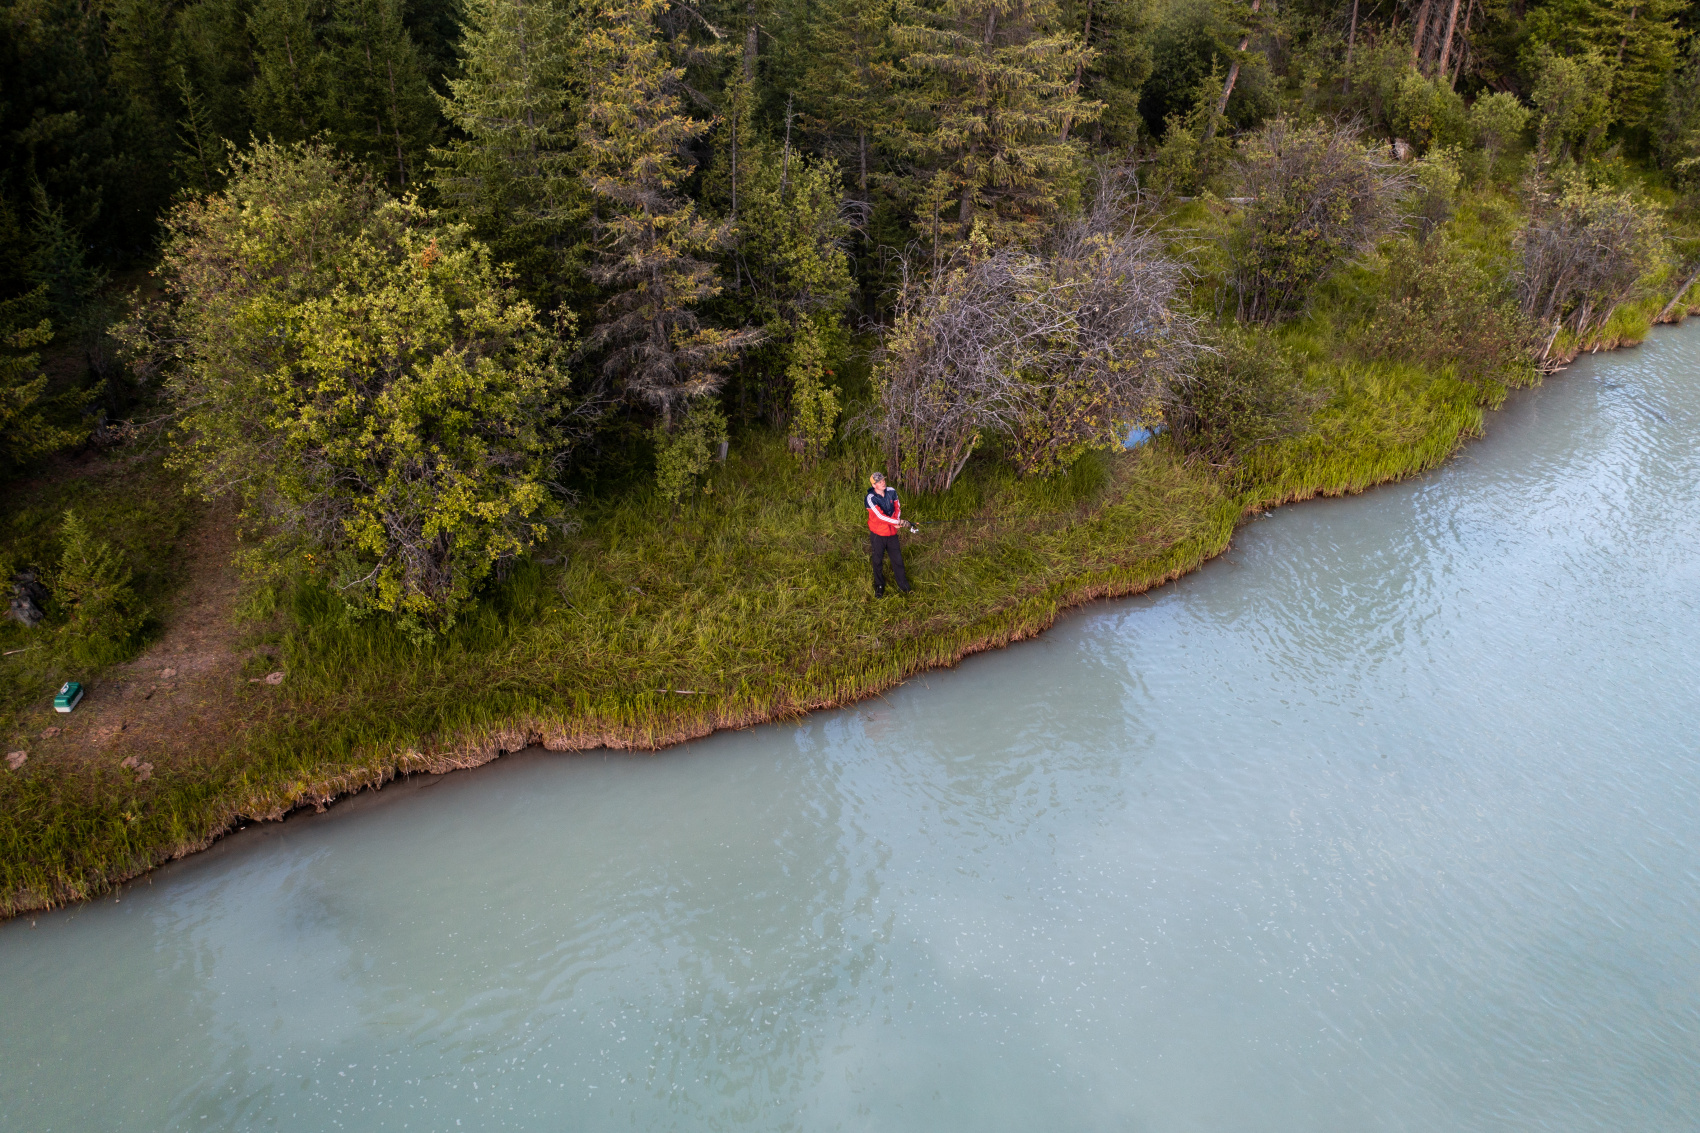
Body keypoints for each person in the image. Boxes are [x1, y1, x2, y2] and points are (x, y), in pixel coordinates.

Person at [866, 472, 911, 597]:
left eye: (883, 480)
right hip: (878, 534)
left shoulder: (891, 491)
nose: (883, 483)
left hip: (891, 533)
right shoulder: (870, 498)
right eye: (879, 482)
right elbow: (880, 516)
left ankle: (904, 586)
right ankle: (879, 585)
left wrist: (897, 520)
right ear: (874, 485)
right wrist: (897, 522)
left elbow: (897, 507)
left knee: (898, 560)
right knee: (877, 561)